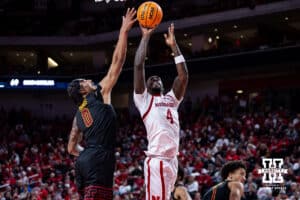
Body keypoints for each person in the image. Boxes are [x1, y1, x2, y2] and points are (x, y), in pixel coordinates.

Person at [66, 8, 136, 200]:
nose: (89, 80)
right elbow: (117, 62)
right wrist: (123, 31)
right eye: (85, 81)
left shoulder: (78, 116)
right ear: (83, 91)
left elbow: (71, 148)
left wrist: (87, 153)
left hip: (84, 162)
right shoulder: (99, 93)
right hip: (98, 159)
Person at [133, 23, 189, 200]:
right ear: (146, 88)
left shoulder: (171, 100)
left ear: (164, 86)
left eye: (158, 78)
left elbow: (183, 76)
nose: (154, 79)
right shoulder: (144, 100)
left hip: (172, 160)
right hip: (157, 160)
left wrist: (173, 46)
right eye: (151, 80)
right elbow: (138, 66)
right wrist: (145, 37)